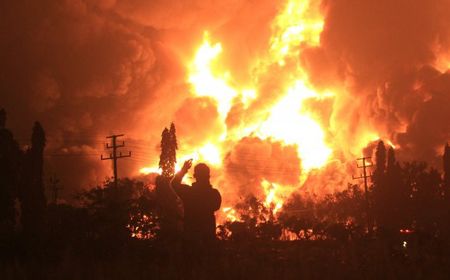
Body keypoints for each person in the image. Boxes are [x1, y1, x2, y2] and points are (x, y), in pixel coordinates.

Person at [171, 160, 221, 241]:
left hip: (191, 236)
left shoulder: (189, 192)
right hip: (207, 237)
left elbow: (174, 184)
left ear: (195, 176)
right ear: (208, 176)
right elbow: (216, 206)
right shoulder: (214, 194)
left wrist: (184, 170)